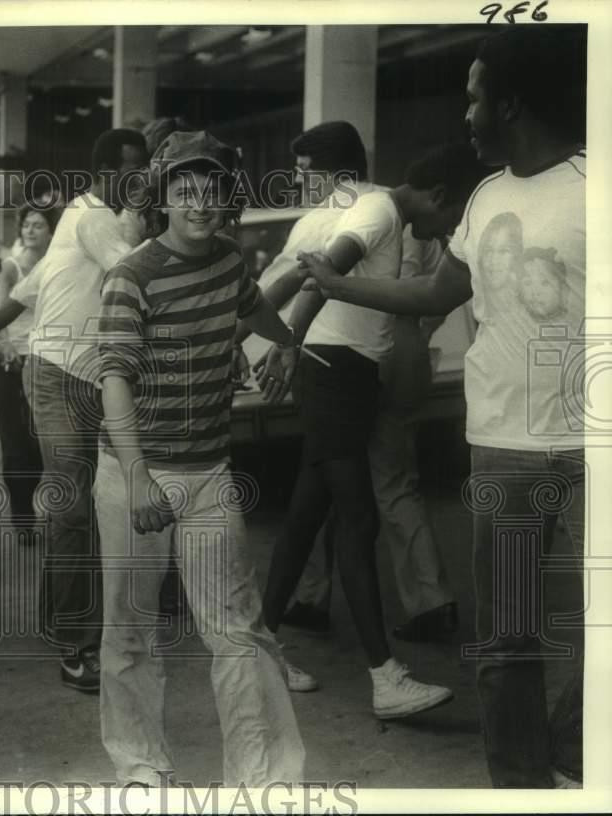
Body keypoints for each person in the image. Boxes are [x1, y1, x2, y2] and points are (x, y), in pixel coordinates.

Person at [298, 26, 586, 788]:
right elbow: (437, 292)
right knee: (508, 644)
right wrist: (339, 286)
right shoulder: (487, 194)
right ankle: (523, 789)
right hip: (505, 449)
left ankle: (571, 750)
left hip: (595, 448)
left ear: (511, 103)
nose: (464, 114)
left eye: (472, 97)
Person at [96, 130, 305, 786]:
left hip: (209, 471)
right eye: (185, 190)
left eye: (212, 189)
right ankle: (140, 767)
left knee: (239, 630)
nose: (201, 203)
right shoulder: (131, 276)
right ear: (162, 197)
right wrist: (136, 478)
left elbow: (255, 307)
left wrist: (288, 343)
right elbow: (114, 380)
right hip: (137, 473)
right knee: (130, 629)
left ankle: (264, 779)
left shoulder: (230, 260)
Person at [257, 142, 488, 720]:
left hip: (346, 375)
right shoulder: (380, 212)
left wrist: (287, 340)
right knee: (357, 522)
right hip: (335, 375)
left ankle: (254, 654)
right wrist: (288, 342)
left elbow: (317, 278)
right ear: (437, 196)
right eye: (453, 215)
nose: (449, 230)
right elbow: (324, 272)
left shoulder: (388, 213)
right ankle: (385, 678)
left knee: (307, 518)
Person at [0, 128, 149, 694]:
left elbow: (29, 291)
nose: (141, 180)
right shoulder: (94, 216)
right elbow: (139, 271)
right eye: (133, 170)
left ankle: (60, 622)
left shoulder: (85, 220)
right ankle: (76, 646)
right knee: (73, 508)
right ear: (104, 171)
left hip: (88, 378)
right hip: (62, 377)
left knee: (84, 506)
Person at [0, 203, 62, 532]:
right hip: (7, 360)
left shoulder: (58, 265)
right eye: (27, 225)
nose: (30, 231)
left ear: (52, 231)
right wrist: (3, 346)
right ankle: (22, 517)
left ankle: (43, 504)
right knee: (14, 441)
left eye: (39, 225)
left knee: (40, 440)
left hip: (44, 361)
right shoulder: (9, 266)